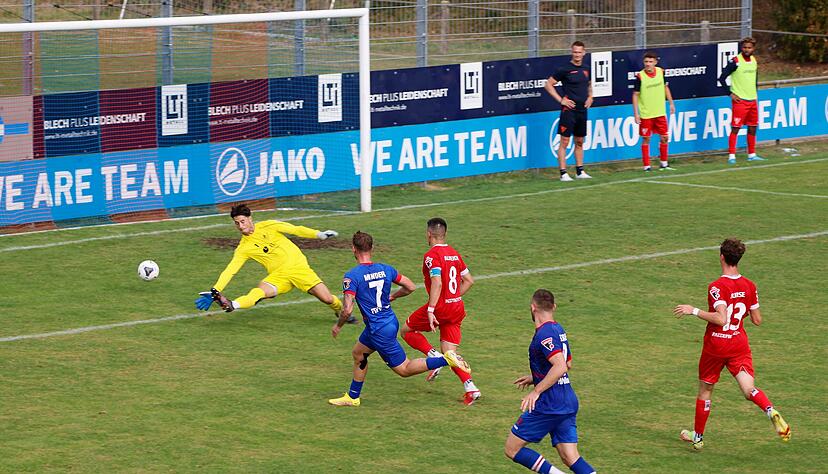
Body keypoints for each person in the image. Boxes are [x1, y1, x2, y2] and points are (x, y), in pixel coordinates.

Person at [328, 231, 471, 407]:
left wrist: (338, 326)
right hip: (388, 321)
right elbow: (410, 286)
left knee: (404, 369)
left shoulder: (352, 276)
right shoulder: (386, 269)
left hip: (378, 329)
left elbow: (347, 310)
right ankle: (352, 397)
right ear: (371, 248)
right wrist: (393, 296)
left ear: (353, 249)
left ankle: (446, 359)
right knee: (359, 353)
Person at [673, 238, 791, 450]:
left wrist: (694, 310)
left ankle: (698, 438)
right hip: (739, 344)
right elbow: (757, 320)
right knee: (748, 389)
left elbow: (721, 318)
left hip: (717, 345)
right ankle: (769, 410)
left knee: (706, 390)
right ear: (738, 259)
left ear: (721, 257)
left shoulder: (716, 287)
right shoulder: (750, 285)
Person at [194, 203, 352, 323]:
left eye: (242, 221)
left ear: (250, 218)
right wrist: (216, 290)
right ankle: (232, 304)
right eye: (237, 223)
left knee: (328, 299)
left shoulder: (269, 226)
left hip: (299, 270)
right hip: (279, 276)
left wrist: (319, 234)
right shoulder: (244, 248)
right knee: (259, 292)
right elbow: (230, 270)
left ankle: (340, 311)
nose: (241, 227)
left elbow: (295, 229)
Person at [504, 289, 596, 474]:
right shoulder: (558, 329)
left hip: (550, 403)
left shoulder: (544, 334)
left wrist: (537, 390)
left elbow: (561, 366)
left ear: (532, 308)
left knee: (512, 448)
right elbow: (568, 363)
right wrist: (534, 378)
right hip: (567, 400)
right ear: (554, 307)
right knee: (569, 456)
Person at [400, 217, 480, 405]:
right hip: (457, 307)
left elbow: (437, 281)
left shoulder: (431, 256)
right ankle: (471, 387)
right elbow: (469, 280)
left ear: (429, 234)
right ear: (444, 234)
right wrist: (453, 297)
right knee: (450, 353)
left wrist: (431, 309)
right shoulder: (454, 253)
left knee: (406, 330)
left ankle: (432, 354)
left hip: (440, 308)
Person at [545, 41, 593, 182]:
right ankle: (563, 173)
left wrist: (591, 96)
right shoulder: (564, 69)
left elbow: (589, 84)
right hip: (569, 111)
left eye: (579, 52)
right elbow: (548, 84)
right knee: (564, 141)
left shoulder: (586, 68)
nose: (577, 55)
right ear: (571, 52)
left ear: (584, 53)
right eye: (574, 52)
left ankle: (580, 171)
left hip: (582, 110)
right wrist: (561, 100)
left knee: (579, 141)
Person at [718, 37, 765, 164]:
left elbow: (754, 79)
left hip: (752, 100)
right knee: (736, 128)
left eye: (749, 47)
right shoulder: (735, 61)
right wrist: (730, 93)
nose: (747, 50)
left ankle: (752, 154)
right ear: (741, 48)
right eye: (744, 47)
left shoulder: (754, 60)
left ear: (753, 48)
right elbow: (721, 78)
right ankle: (732, 156)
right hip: (740, 101)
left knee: (753, 127)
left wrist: (754, 93)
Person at [632, 51, 676, 172]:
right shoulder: (640, 77)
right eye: (646, 62)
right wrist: (636, 113)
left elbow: (665, 87)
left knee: (665, 137)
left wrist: (671, 103)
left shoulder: (661, 72)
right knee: (646, 139)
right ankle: (647, 166)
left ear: (655, 62)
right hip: (646, 114)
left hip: (660, 112)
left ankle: (664, 164)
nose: (648, 64)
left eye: (651, 62)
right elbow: (635, 95)